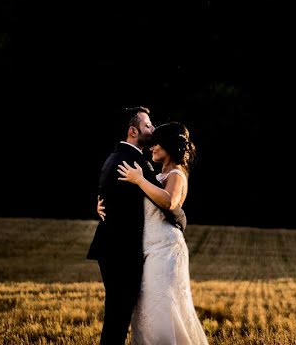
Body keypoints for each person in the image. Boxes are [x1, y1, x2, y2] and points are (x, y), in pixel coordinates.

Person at [86, 107, 183, 345]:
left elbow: (105, 191)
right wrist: (181, 220)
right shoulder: (135, 162)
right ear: (133, 131)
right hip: (121, 252)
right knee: (118, 320)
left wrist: (99, 207)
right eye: (148, 125)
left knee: (115, 317)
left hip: (110, 248)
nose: (152, 128)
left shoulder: (114, 156)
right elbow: (166, 204)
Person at [108, 121, 208, 345]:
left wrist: (139, 180)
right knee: (146, 309)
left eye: (157, 144)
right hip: (147, 249)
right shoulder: (156, 173)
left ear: (170, 146)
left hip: (166, 250)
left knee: (162, 309)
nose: (152, 147)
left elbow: (170, 201)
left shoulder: (177, 173)